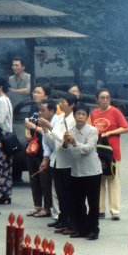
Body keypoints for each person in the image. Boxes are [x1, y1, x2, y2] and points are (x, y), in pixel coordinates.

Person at [63, 104, 102, 240]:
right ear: (74, 115)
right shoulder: (71, 130)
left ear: (87, 117)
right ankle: (81, 229)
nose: (80, 117)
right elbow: (66, 151)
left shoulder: (92, 131)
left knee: (93, 203)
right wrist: (65, 142)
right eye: (78, 114)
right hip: (76, 172)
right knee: (78, 203)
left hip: (92, 172)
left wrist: (74, 143)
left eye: (83, 114)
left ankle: (93, 230)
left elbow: (87, 149)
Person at [90, 88, 128, 221]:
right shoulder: (94, 113)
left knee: (113, 180)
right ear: (97, 100)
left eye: (107, 97)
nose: (105, 100)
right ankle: (100, 210)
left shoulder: (115, 111)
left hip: (112, 152)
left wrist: (111, 132)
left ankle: (115, 210)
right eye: (102, 97)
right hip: (97, 151)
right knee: (99, 181)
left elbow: (126, 127)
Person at [41, 93, 77, 232]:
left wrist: (49, 127)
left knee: (67, 193)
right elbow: (53, 140)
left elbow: (64, 141)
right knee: (60, 193)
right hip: (57, 159)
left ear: (71, 104)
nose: (60, 104)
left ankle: (69, 220)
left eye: (63, 102)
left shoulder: (73, 120)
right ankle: (62, 219)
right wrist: (46, 130)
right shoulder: (61, 118)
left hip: (67, 161)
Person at [22, 84, 53, 218]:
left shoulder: (51, 111)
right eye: (34, 92)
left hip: (44, 150)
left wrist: (32, 127)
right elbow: (29, 127)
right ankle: (37, 205)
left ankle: (47, 207)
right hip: (32, 148)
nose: (35, 95)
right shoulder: (33, 109)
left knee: (44, 179)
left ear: (46, 96)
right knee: (33, 178)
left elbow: (49, 131)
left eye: (39, 93)